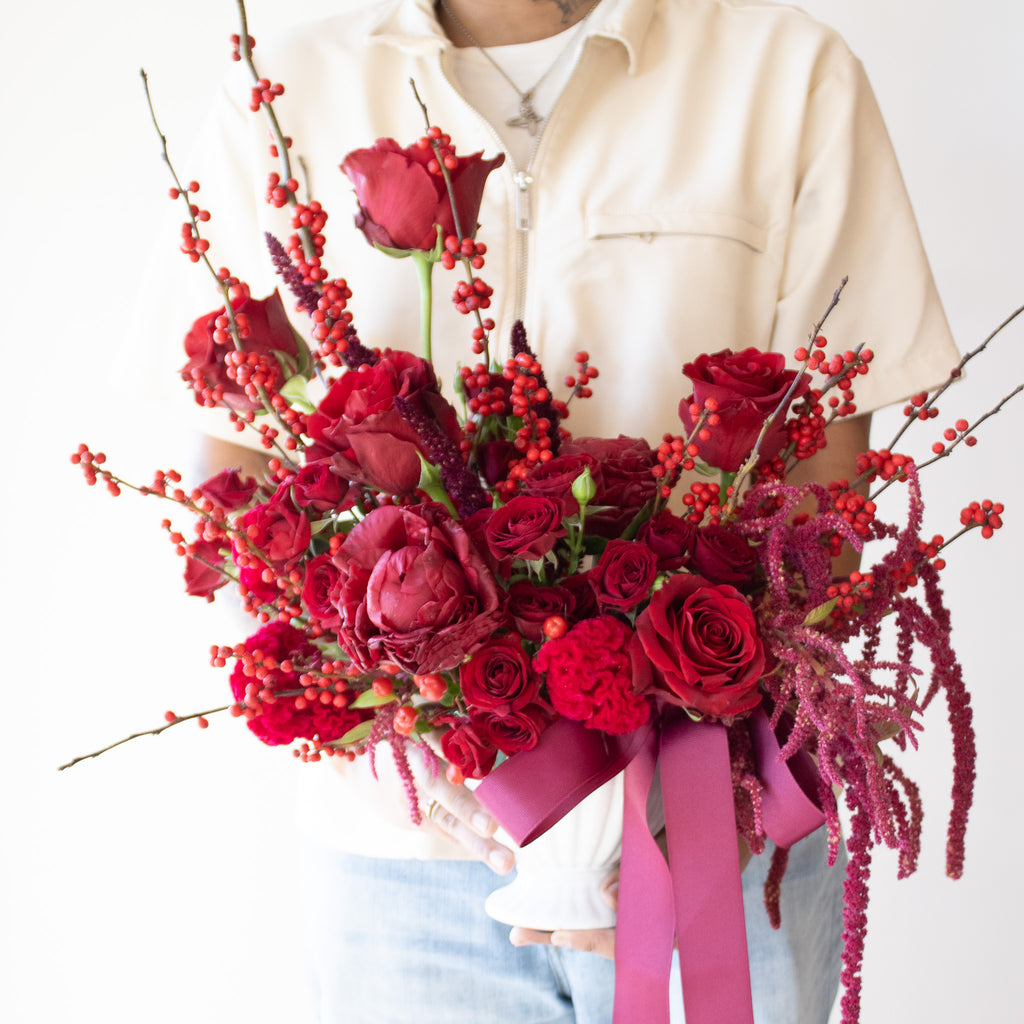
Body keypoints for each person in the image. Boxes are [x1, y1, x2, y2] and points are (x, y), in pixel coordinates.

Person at [170, 1, 962, 1021]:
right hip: (408, 865)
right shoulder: (281, 95)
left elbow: (823, 489)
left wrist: (704, 793)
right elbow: (229, 479)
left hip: (717, 844)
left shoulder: (786, 75)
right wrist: (384, 738)